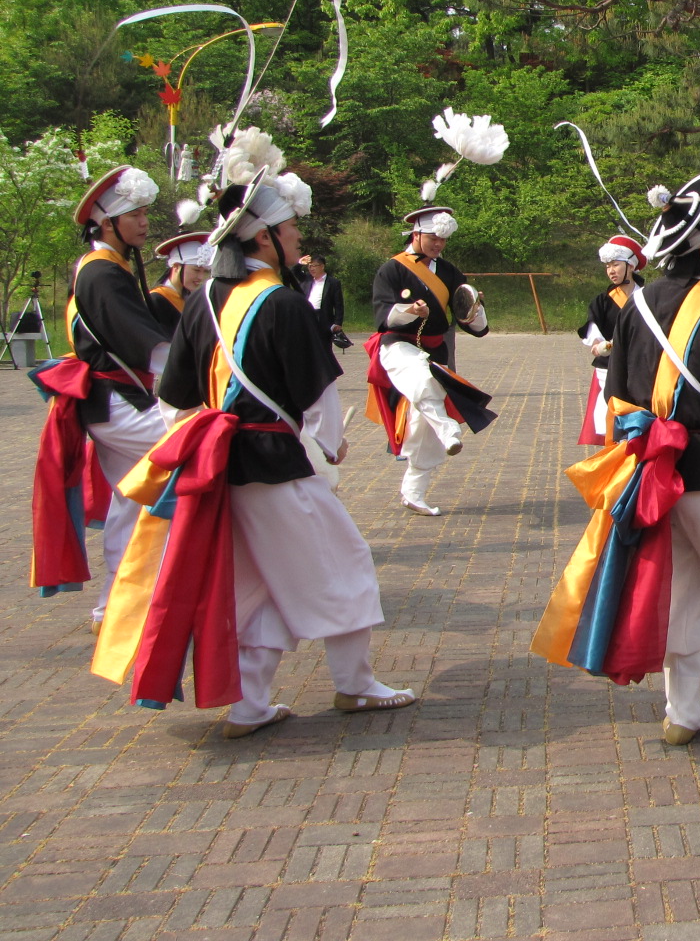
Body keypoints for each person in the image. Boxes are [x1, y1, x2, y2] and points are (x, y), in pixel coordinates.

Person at [97, 156, 416, 738]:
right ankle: (356, 684)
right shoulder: (285, 304)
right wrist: (328, 448)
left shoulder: (205, 300)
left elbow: (176, 396)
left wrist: (206, 439)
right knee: (345, 564)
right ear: (265, 237)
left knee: (262, 582)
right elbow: (317, 397)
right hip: (274, 461)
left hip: (221, 463)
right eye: (291, 229)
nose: (298, 238)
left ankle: (250, 704)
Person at [531, 174, 700, 746]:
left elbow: (619, 394)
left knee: (682, 587)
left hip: (655, 473)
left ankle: (682, 711)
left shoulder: (638, 304)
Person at [29, 165, 169, 632]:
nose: (146, 222)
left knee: (130, 503)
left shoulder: (104, 267)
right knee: (194, 451)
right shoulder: (103, 273)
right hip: (117, 401)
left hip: (109, 402)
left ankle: (111, 609)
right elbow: (147, 344)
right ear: (109, 222)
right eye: (138, 214)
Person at [367, 206, 495, 516]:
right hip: (397, 345)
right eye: (433, 239)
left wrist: (474, 308)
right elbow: (383, 315)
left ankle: (413, 493)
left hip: (435, 350)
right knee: (424, 381)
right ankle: (449, 428)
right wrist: (408, 310)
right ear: (416, 233)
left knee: (421, 429)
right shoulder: (392, 270)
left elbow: (468, 319)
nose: (438, 245)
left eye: (443, 240)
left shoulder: (449, 271)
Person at [577, 234, 645, 445]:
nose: (611, 271)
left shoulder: (647, 297)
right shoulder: (602, 301)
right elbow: (593, 328)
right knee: (611, 418)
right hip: (610, 366)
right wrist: (598, 345)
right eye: (608, 266)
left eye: (615, 264)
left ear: (631, 266)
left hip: (641, 366)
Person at [147, 232, 212, 335]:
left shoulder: (194, 299)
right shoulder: (156, 300)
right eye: (196, 270)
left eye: (204, 272)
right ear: (176, 267)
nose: (200, 277)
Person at [299, 254, 349, 352]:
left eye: (314, 266)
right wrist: (300, 263)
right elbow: (293, 272)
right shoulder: (307, 279)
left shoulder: (333, 282)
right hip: (308, 315)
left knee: (324, 347)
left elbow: (338, 304)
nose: (312, 269)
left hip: (323, 318)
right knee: (308, 345)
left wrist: (338, 322)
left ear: (322, 266)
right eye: (310, 266)